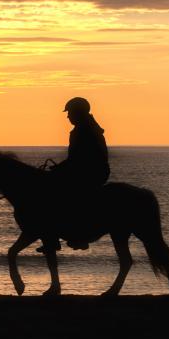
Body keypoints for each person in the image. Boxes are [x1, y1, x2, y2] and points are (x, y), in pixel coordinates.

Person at [46, 97, 110, 250]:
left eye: (70, 113)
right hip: (90, 169)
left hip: (90, 172)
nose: (68, 117)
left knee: (59, 194)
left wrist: (59, 169)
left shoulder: (83, 131)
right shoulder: (87, 128)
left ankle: (78, 236)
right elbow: (76, 158)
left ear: (78, 113)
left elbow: (77, 158)